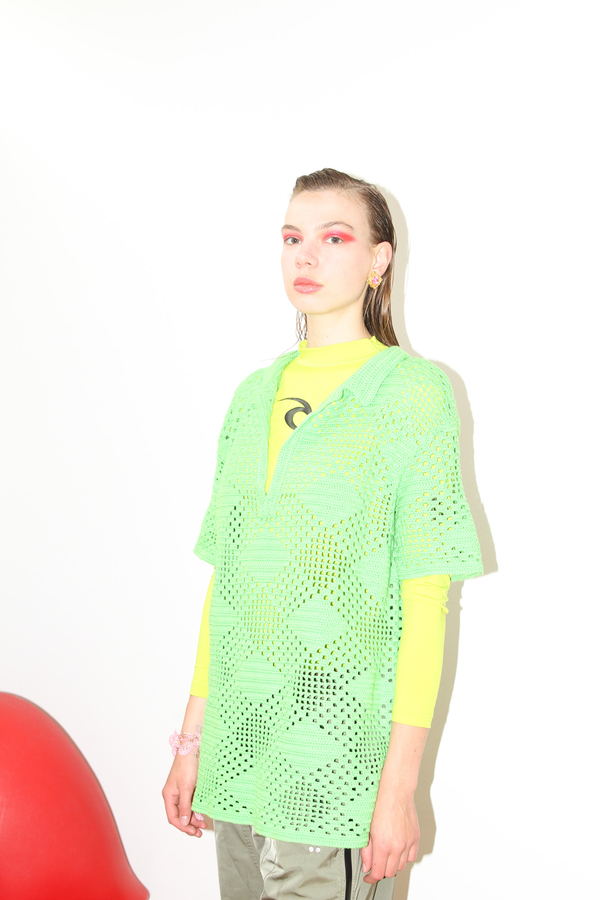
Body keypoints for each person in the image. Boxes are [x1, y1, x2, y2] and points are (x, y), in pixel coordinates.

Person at [162, 168, 482, 899]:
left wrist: (398, 789)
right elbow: (230, 585)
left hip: (338, 757)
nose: (304, 256)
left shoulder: (411, 393)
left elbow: (425, 599)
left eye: (333, 238)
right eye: (291, 238)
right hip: (240, 748)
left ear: (378, 260)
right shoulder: (251, 397)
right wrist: (191, 743)